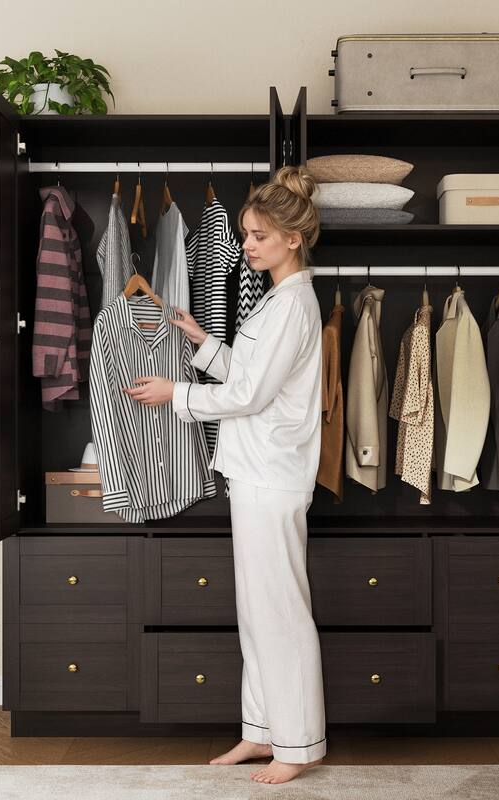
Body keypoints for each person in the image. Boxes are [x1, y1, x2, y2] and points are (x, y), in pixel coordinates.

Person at [123, 165, 326, 785]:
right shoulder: (278, 300)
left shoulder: (292, 305)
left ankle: (298, 745)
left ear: (293, 238)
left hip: (272, 475)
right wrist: (202, 340)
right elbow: (249, 374)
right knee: (257, 612)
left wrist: (175, 393)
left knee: (281, 612)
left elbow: (248, 397)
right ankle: (262, 734)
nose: (246, 246)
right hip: (255, 473)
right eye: (243, 234)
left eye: (258, 236)